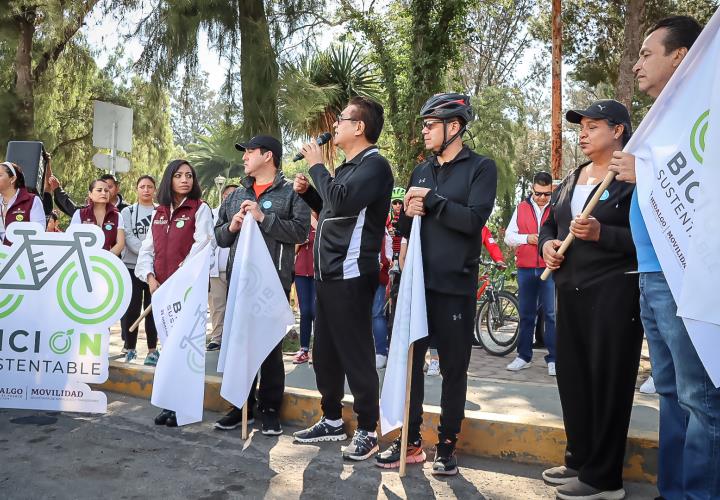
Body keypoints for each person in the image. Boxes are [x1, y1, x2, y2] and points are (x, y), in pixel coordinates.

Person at [608, 16, 719, 499]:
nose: (636, 64)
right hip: (652, 274)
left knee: (700, 400)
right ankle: (671, 491)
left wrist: (644, 169)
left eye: (646, 53)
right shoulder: (662, 121)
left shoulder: (705, 111)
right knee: (671, 396)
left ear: (681, 57)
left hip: (685, 276)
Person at [376, 93, 497, 474]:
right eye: (424, 124)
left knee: (453, 369)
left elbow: (473, 220)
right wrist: (408, 215)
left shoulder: (481, 168)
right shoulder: (421, 170)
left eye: (431, 124)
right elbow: (407, 227)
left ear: (454, 127)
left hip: (455, 286)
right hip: (416, 286)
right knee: (410, 365)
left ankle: (447, 445)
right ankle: (410, 442)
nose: (424, 130)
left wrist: (433, 202)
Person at [539, 100, 640, 500]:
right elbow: (551, 224)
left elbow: (648, 242)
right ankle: (579, 458)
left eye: (593, 126)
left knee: (608, 382)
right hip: (571, 293)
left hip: (614, 294)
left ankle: (604, 478)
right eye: (581, 126)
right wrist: (548, 245)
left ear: (618, 130)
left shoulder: (632, 178)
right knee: (574, 379)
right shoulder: (573, 178)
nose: (582, 133)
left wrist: (603, 234)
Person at [292, 96, 394, 461]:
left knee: (357, 353)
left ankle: (368, 427)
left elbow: (345, 203)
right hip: (328, 273)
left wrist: (318, 166)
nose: (334, 126)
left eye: (342, 120)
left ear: (360, 127)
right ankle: (332, 419)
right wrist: (309, 196)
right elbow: (335, 208)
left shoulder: (375, 166)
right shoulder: (351, 168)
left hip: (351, 273)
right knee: (326, 353)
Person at [213, 135, 310, 436]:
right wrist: (233, 225)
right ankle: (241, 407)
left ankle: (270, 409)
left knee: (269, 347)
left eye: (249, 152)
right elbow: (219, 236)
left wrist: (263, 218)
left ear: (268, 156)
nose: (244, 158)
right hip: (239, 282)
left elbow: (300, 232)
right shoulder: (233, 195)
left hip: (272, 283)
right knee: (238, 346)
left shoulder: (292, 191)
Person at [135, 159, 214, 428]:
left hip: (186, 292)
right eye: (178, 175)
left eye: (189, 176)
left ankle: (184, 407)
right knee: (168, 349)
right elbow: (147, 250)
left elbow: (203, 244)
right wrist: (149, 277)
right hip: (160, 292)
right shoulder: (158, 213)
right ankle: (170, 403)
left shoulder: (200, 210)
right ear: (169, 180)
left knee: (184, 350)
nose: (184, 180)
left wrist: (180, 277)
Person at [426, 224, 505, 377]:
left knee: (461, 324)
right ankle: (434, 360)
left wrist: (499, 259)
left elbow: (491, 243)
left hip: (465, 282)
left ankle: (454, 363)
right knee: (437, 321)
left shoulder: (480, 226)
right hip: (443, 277)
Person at [504, 171, 557, 376]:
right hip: (525, 268)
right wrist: (527, 239)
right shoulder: (521, 208)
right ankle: (523, 356)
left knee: (552, 315)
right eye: (538, 193)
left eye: (546, 194)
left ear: (551, 190)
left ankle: (553, 359)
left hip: (549, 268)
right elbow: (509, 237)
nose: (542, 198)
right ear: (532, 189)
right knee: (526, 315)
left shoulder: (557, 208)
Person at [120, 175, 159, 365]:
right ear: (136, 189)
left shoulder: (161, 211)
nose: (146, 190)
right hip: (131, 267)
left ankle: (152, 350)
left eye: (150, 186)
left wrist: (150, 257)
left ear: (155, 190)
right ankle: (130, 348)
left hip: (155, 270)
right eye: (142, 186)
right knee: (132, 310)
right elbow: (127, 236)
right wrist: (146, 251)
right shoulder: (127, 212)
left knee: (152, 310)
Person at [207, 184, 239, 352]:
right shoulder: (211, 213)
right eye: (227, 194)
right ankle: (217, 337)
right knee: (217, 305)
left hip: (235, 267)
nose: (229, 197)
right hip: (216, 267)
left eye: (234, 194)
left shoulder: (243, 215)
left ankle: (233, 338)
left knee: (235, 304)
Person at [70, 179, 125, 256]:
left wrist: (103, 259)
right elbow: (71, 239)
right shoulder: (79, 214)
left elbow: (120, 244)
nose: (103, 193)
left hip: (109, 263)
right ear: (90, 194)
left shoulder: (117, 216)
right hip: (83, 261)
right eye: (99, 190)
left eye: (106, 191)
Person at [293, 211, 317, 365]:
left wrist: (314, 221)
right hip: (301, 271)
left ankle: (318, 349)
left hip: (317, 272)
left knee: (317, 311)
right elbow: (294, 249)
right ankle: (304, 349)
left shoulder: (321, 222)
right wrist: (300, 242)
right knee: (305, 311)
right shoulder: (301, 223)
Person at [0, 162, 45, 245]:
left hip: (22, 255)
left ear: (12, 179)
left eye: (0, 175)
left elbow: (38, 232)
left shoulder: (32, 200)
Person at [50, 172, 128, 216]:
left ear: (117, 188)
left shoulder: (129, 210)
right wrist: (58, 190)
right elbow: (73, 210)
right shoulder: (92, 208)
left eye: (110, 187)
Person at [372, 227, 393, 369]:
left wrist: (383, 263)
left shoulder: (381, 229)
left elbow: (387, 256)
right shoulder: (383, 229)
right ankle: (378, 352)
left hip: (376, 274)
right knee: (375, 314)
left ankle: (380, 351)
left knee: (376, 313)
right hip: (368, 274)